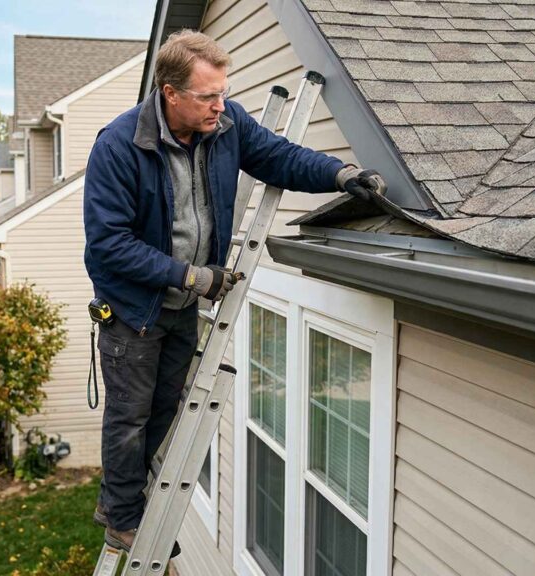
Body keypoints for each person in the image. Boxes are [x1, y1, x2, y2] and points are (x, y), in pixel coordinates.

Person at [83, 29, 382, 554]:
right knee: (129, 417)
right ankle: (122, 517)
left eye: (223, 92)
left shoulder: (225, 125)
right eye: (208, 96)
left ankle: (120, 498)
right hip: (135, 308)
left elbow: (280, 157)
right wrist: (192, 277)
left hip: (180, 305)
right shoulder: (120, 145)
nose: (221, 105)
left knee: (164, 409)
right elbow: (109, 245)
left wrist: (340, 173)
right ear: (170, 93)